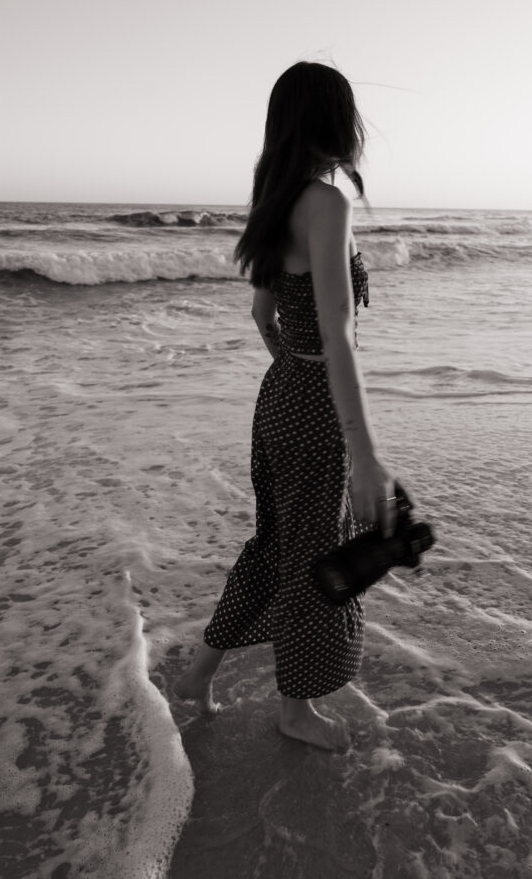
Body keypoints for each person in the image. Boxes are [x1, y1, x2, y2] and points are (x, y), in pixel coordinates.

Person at [173, 62, 399, 752]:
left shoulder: (278, 198)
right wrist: (364, 456)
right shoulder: (327, 202)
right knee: (310, 558)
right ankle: (293, 709)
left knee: (277, 546)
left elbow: (261, 312)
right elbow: (338, 338)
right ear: (340, 118)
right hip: (314, 410)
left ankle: (198, 673)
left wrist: (289, 368)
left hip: (280, 400)